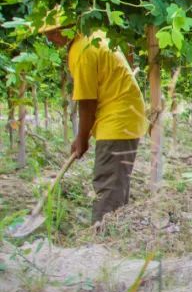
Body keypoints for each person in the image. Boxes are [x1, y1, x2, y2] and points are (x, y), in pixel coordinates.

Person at [39, 13, 147, 224]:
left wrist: (82, 138)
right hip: (125, 116)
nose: (50, 39)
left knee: (108, 182)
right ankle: (115, 230)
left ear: (68, 28)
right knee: (116, 181)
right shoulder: (93, 36)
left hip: (118, 120)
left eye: (52, 33)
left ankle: (104, 238)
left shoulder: (81, 52)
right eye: (47, 35)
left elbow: (87, 102)